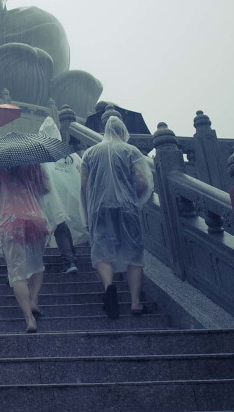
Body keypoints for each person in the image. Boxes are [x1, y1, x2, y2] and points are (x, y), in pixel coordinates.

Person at [80, 115, 154, 318]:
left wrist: (87, 213)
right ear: (122, 132)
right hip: (126, 207)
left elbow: (84, 186)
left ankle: (109, 287)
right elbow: (143, 181)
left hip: (99, 208)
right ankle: (135, 303)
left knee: (102, 250)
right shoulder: (130, 151)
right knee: (134, 253)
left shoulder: (90, 153)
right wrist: (132, 197)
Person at [0, 160, 50, 332]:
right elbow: (45, 189)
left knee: (16, 271)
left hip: (10, 220)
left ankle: (29, 318)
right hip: (36, 218)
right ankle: (34, 300)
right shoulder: (34, 163)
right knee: (38, 264)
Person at [38, 117, 87, 274]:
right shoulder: (70, 155)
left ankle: (70, 260)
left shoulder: (40, 156)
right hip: (72, 194)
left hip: (52, 197)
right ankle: (71, 257)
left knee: (60, 225)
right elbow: (82, 170)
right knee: (66, 224)